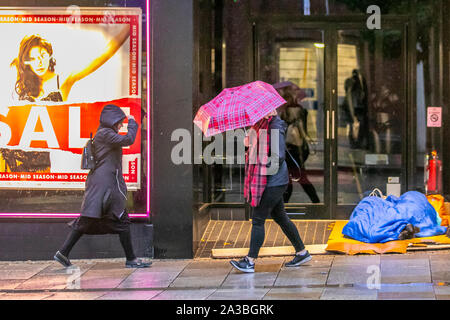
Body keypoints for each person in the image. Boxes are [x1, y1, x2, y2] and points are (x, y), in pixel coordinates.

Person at [54, 104, 151, 269]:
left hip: (104, 185)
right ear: (112, 121)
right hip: (105, 186)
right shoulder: (106, 134)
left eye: (122, 122)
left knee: (93, 220)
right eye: (119, 122)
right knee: (116, 219)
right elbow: (128, 139)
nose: (121, 125)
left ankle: (63, 253)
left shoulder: (106, 133)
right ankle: (131, 259)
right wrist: (133, 123)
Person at [230, 109, 311, 273]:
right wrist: (250, 143)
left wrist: (260, 163)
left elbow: (278, 156)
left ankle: (250, 261)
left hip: (273, 181)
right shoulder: (262, 125)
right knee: (280, 217)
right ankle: (302, 252)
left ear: (270, 110)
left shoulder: (275, 126)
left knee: (258, 219)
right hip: (272, 180)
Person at [10, 24, 130, 102]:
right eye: (33, 58)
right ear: (28, 62)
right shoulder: (24, 84)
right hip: (29, 140)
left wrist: (129, 27)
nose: (39, 62)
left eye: (42, 55)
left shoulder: (63, 80)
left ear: (50, 55)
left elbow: (101, 57)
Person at [278, 87, 320, 203]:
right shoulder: (301, 110)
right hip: (299, 149)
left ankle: (284, 205)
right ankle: (315, 201)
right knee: (299, 178)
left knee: (295, 179)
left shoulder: (286, 112)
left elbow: (282, 131)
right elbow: (305, 131)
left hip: (290, 149)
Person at [342, 69, 369, 149]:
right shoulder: (352, 82)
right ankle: (354, 143)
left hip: (358, 107)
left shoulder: (361, 82)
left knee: (357, 126)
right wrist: (352, 113)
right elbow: (349, 96)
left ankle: (356, 142)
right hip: (354, 108)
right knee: (354, 125)